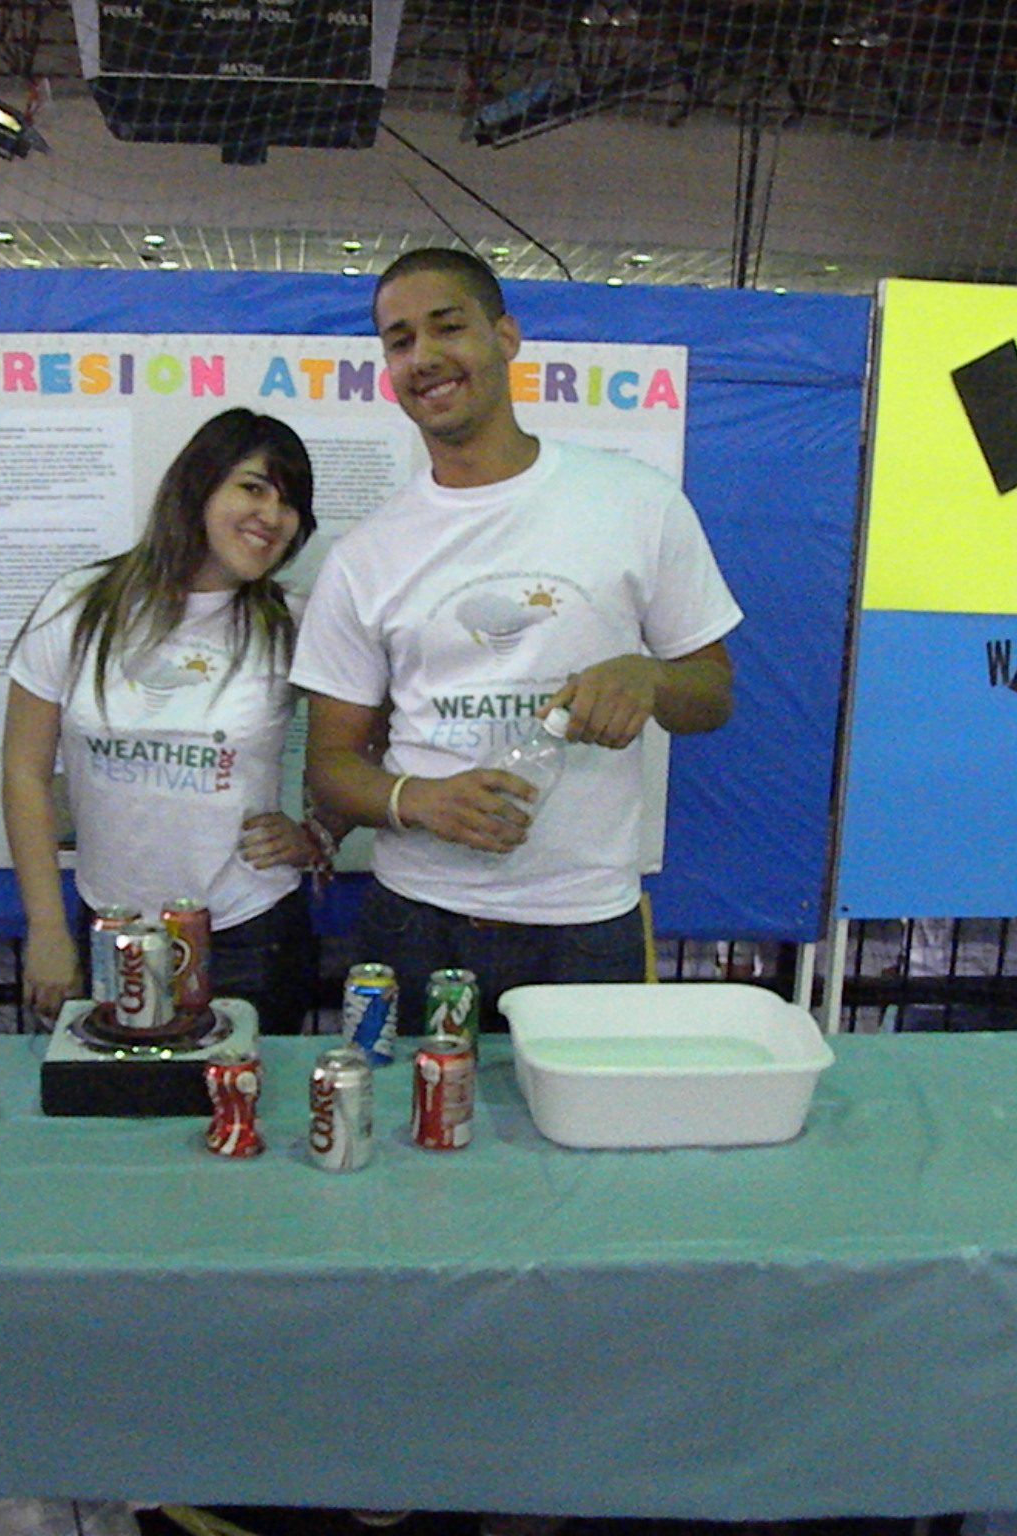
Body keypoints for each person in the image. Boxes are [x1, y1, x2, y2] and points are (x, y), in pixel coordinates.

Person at [292, 247, 743, 1036]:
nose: (424, 357)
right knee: (414, 1111)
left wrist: (650, 679)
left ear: (505, 337)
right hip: (417, 920)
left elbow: (713, 694)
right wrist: (416, 799)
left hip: (586, 923)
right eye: (400, 341)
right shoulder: (366, 554)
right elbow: (329, 766)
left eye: (447, 327)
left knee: (587, 1117)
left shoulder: (636, 503)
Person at [3, 407, 337, 1032]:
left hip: (249, 935)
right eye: (253, 488)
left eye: (290, 503)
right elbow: (24, 771)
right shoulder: (79, 606)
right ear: (198, 485)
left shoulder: (293, 622)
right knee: (118, 1095)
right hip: (111, 929)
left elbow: (377, 731)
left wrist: (321, 833)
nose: (272, 516)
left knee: (242, 1094)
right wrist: (45, 927)